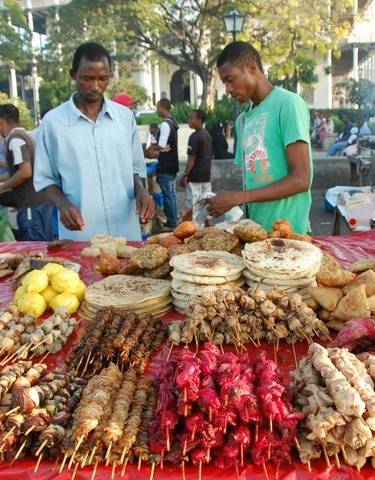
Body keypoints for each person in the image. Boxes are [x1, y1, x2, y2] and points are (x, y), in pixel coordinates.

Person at [34, 42, 154, 241]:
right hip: (82, 236)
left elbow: (134, 169)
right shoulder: (53, 124)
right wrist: (62, 204)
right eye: (87, 78)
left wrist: (142, 192)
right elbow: (46, 180)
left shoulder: (125, 118)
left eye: (103, 79)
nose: (95, 86)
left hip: (126, 235)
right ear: (73, 74)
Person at [207, 41, 312, 234]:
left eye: (230, 79)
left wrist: (238, 197)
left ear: (252, 68)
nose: (228, 89)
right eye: (224, 83)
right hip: (255, 234)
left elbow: (302, 179)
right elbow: (256, 180)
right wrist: (215, 201)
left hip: (288, 234)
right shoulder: (242, 120)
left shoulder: (288, 103)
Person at [0, 104, 56, 241]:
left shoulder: (15, 140)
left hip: (31, 206)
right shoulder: (26, 136)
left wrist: (3, 186)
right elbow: (19, 170)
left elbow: (25, 172)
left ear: (1, 121)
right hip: (41, 204)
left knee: (35, 252)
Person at [181, 109, 213, 210]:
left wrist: (185, 175)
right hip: (206, 177)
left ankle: (193, 226)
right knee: (206, 205)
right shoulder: (207, 135)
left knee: (192, 207)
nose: (189, 121)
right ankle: (206, 225)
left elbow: (191, 160)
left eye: (191, 118)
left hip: (195, 178)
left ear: (199, 120)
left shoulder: (194, 137)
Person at [155, 98, 179, 230]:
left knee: (168, 195)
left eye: (158, 108)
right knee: (172, 194)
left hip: (165, 164)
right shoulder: (173, 122)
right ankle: (174, 219)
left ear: (163, 108)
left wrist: (152, 148)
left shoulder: (165, 124)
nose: (156, 111)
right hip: (173, 163)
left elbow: (161, 145)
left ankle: (171, 222)